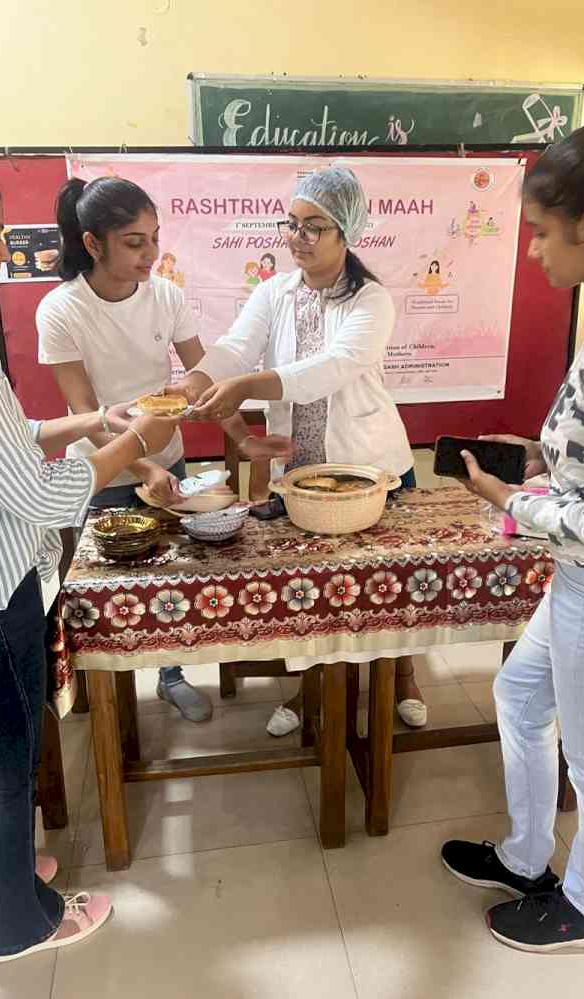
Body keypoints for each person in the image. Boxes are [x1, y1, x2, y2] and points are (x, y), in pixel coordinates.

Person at [0, 149, 180, 960]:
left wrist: (81, 424)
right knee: (4, 761)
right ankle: (17, 919)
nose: (6, 253)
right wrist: (130, 441)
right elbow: (38, 497)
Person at [440, 114, 584, 953]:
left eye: (540, 231)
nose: (532, 249)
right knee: (521, 696)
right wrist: (542, 457)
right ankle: (526, 854)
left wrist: (516, 501)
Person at [172, 165, 428, 736]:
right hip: (304, 471)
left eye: (315, 227)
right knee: (318, 592)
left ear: (346, 234)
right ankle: (312, 685)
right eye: (292, 224)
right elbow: (237, 345)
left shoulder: (372, 300)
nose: (298, 237)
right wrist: (199, 379)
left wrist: (243, 387)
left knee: (390, 589)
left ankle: (404, 674)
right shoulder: (275, 291)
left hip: (371, 466)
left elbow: (329, 369)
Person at [37, 177, 290, 721]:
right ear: (92, 243)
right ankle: (111, 699)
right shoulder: (61, 310)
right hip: (103, 473)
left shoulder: (167, 296)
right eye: (134, 242)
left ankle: (171, 674)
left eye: (154, 238)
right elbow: (84, 412)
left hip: (167, 463)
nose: (150, 254)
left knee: (171, 579)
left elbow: (206, 378)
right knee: (113, 593)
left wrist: (244, 440)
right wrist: (142, 465)